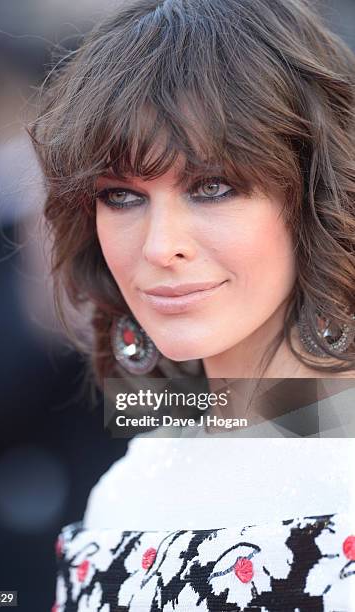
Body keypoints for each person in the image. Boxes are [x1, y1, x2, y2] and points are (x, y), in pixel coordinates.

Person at [30, 0, 355, 609]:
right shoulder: (124, 492)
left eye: (213, 188)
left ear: (315, 193)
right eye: (122, 196)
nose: (160, 248)